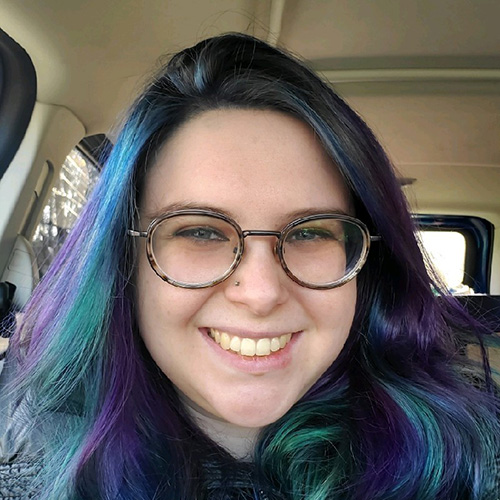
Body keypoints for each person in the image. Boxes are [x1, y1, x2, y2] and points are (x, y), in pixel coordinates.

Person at [1, 32, 499, 500]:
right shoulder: (25, 469)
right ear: (123, 263)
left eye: (309, 233)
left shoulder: (472, 457)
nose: (260, 293)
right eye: (200, 231)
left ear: (366, 259)